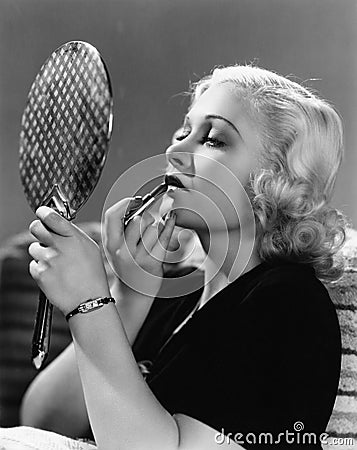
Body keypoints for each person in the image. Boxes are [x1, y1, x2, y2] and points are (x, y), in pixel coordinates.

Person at [20, 65, 347, 449]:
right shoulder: (172, 299)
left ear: (278, 178)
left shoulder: (289, 304)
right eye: (182, 132)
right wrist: (128, 297)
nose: (175, 151)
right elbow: (43, 421)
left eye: (213, 139)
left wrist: (87, 305)